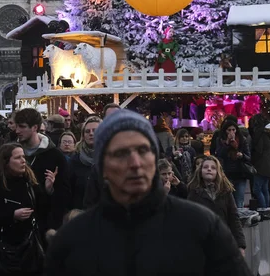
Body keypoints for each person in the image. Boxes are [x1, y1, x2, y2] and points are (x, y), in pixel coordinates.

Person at [45, 110, 251, 276]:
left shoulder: (201, 226)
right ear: (103, 166)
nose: (135, 163)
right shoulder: (74, 239)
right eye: (121, 153)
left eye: (142, 151)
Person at [0, 144, 50, 276]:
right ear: (6, 161)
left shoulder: (29, 181)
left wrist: (48, 190)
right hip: (4, 248)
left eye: (23, 157)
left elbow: (43, 209)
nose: (23, 160)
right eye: (18, 157)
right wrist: (12, 215)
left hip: (30, 248)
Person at [15, 108, 70, 231]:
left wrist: (50, 191)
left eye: (22, 127)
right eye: (17, 126)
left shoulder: (55, 156)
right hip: (16, 226)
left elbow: (64, 194)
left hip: (44, 225)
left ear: (35, 127)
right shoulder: (11, 152)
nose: (17, 131)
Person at [187, 156, 246, 255]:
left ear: (218, 172)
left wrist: (240, 245)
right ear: (200, 171)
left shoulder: (225, 192)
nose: (209, 169)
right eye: (205, 167)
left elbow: (234, 219)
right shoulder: (194, 194)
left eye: (213, 168)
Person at [215, 120, 251, 208]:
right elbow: (219, 154)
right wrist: (227, 143)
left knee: (239, 201)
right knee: (228, 202)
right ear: (225, 131)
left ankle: (239, 219)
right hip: (227, 174)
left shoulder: (242, 140)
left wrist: (242, 155)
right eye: (229, 130)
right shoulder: (220, 140)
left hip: (240, 174)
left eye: (233, 130)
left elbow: (249, 157)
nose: (231, 132)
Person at [68, 117, 102, 210]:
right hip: (81, 215)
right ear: (83, 135)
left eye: (95, 130)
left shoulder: (111, 158)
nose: (91, 133)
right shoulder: (75, 160)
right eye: (87, 131)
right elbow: (68, 192)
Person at [250, 117, 270, 212]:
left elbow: (259, 150)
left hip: (260, 165)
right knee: (265, 188)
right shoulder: (268, 135)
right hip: (268, 164)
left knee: (257, 189)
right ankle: (266, 208)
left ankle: (263, 208)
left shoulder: (260, 134)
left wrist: (253, 160)